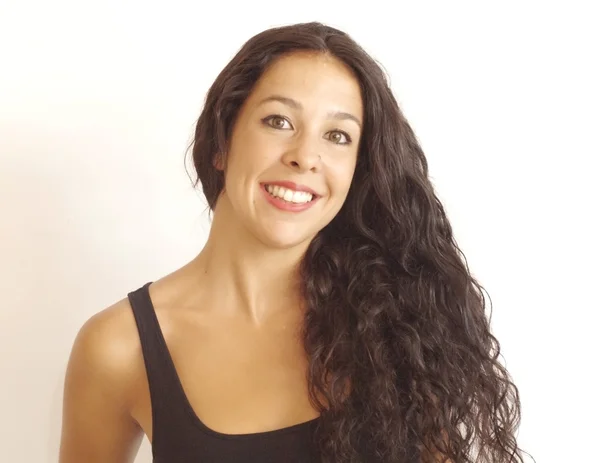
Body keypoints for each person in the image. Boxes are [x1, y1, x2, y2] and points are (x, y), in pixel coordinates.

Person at [58, 22, 527, 463]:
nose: (306, 156)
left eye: (338, 136)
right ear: (222, 142)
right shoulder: (118, 347)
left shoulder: (401, 322)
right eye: (279, 121)